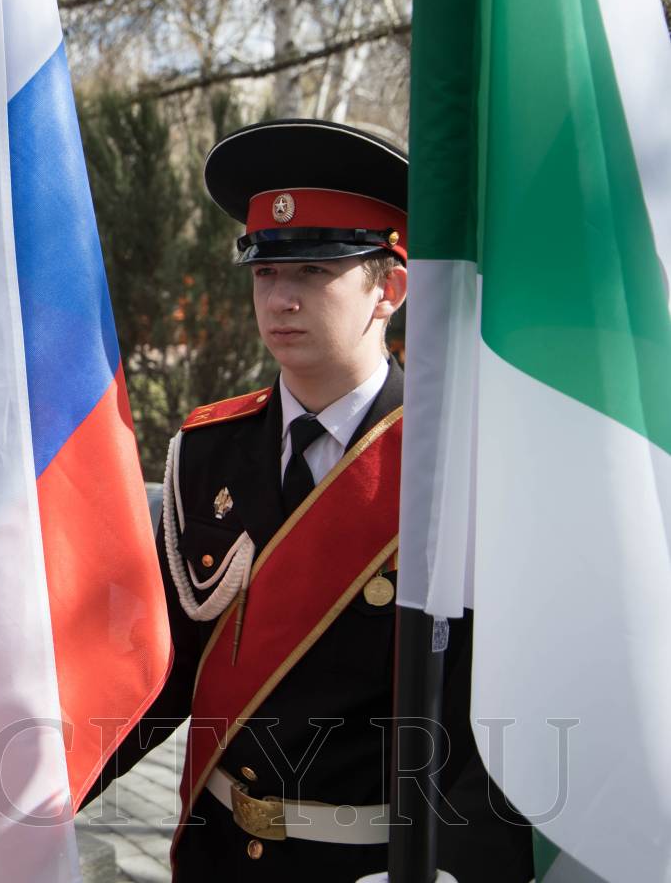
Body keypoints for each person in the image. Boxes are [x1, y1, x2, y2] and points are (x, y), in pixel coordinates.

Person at [99, 120, 533, 880]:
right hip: (217, 853)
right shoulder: (206, 450)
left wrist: (454, 869)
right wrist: (48, 788)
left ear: (389, 289)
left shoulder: (458, 461)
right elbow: (162, 668)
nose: (280, 299)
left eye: (313, 271)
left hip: (372, 862)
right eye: (266, 271)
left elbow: (502, 707)